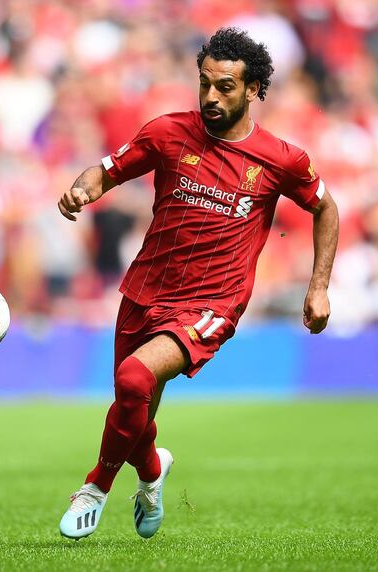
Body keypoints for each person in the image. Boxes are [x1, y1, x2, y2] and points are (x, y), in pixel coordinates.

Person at [56, 27, 339, 540]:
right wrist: (81, 192)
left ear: (253, 90)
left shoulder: (281, 160)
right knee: (132, 407)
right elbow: (106, 171)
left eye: (225, 87)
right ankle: (151, 472)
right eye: (205, 83)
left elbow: (325, 207)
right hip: (144, 289)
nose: (211, 96)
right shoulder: (166, 132)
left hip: (211, 303)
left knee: (134, 381)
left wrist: (318, 286)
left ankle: (94, 487)